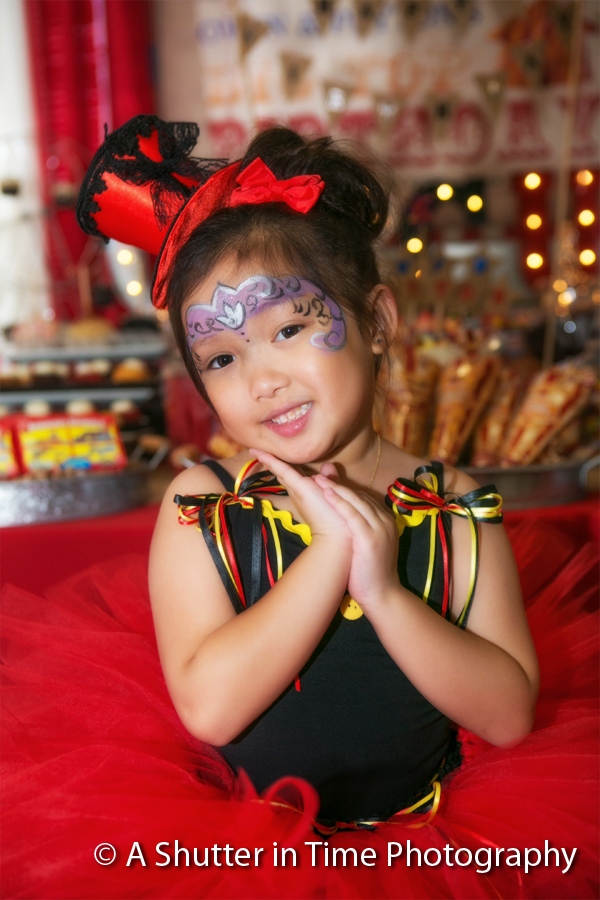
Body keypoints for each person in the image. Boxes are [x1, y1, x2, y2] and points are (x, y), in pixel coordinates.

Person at [1, 116, 598, 900]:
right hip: (241, 856)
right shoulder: (206, 503)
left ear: (378, 322)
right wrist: (328, 558)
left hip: (430, 850)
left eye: (289, 327)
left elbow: (508, 715)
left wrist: (383, 590)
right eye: (221, 356)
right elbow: (211, 710)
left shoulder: (448, 503)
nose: (261, 380)